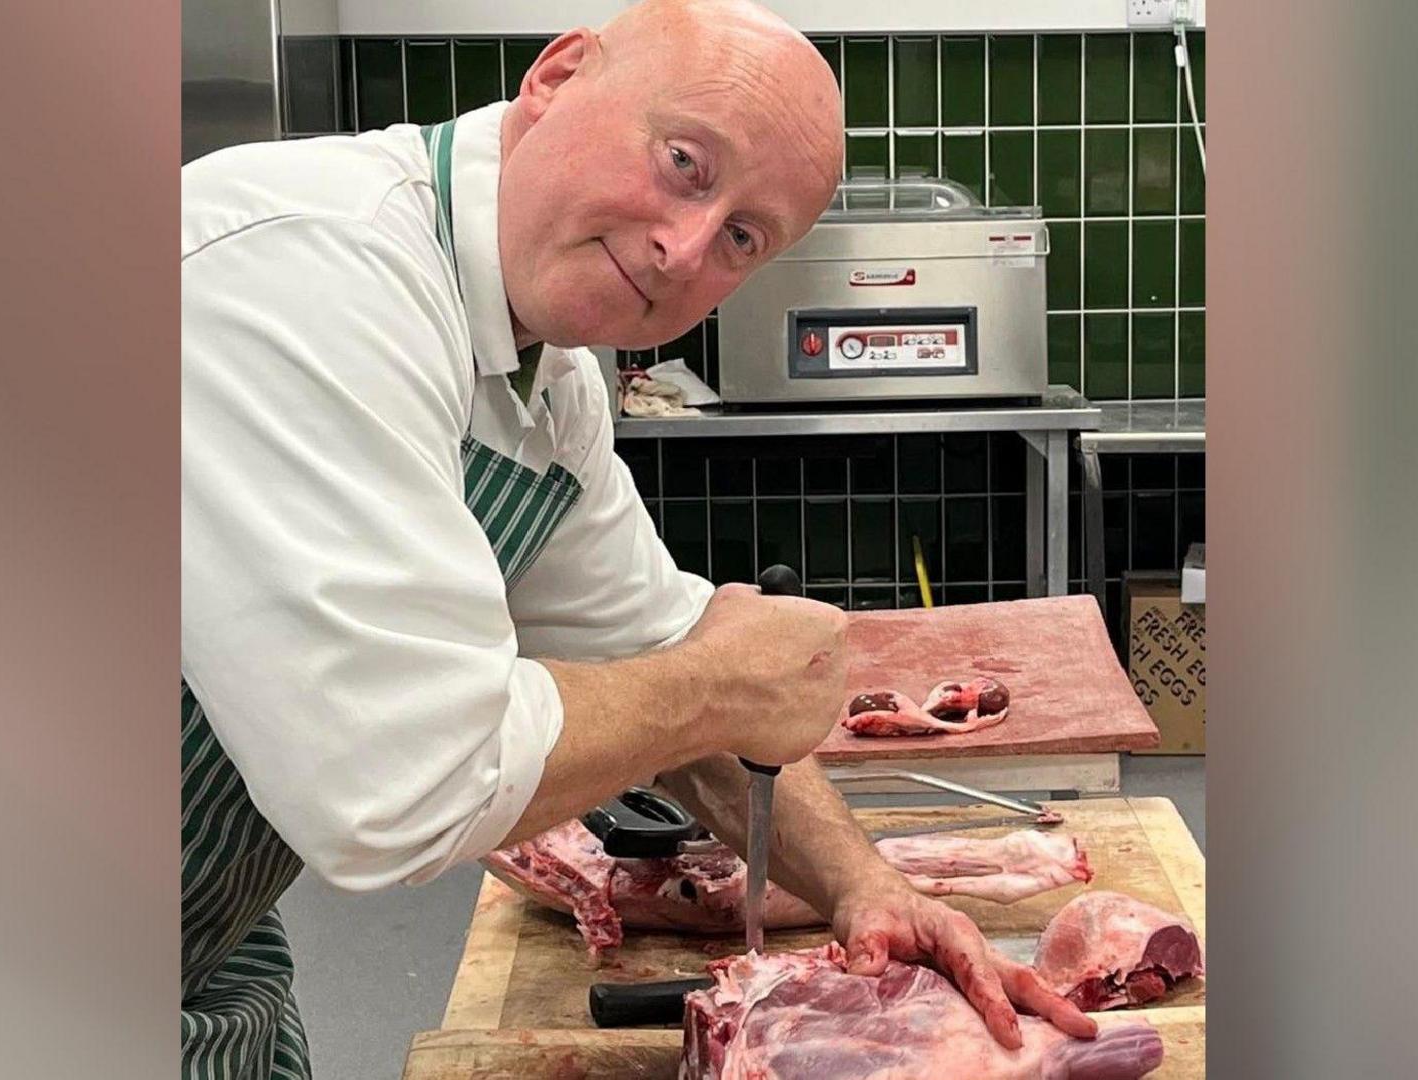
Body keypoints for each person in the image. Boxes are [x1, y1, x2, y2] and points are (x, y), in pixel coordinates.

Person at [180, 1, 1097, 1074]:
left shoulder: (551, 376)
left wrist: (866, 887)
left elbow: (650, 642)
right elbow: (400, 785)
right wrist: (721, 683)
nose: (682, 249)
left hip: (208, 950)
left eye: (743, 238)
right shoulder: (309, 273)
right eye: (683, 163)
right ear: (559, 77)